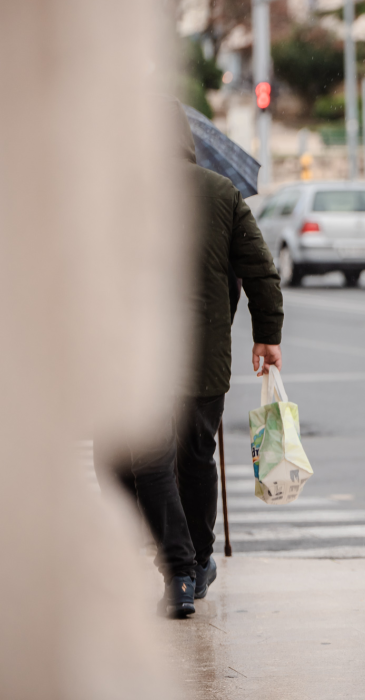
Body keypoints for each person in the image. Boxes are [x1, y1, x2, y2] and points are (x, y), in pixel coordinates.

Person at [96, 100, 283, 617]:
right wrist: (266, 335)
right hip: (205, 353)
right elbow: (259, 271)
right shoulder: (221, 192)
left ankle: (179, 570)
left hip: (140, 352)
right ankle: (196, 563)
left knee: (145, 459)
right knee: (195, 458)